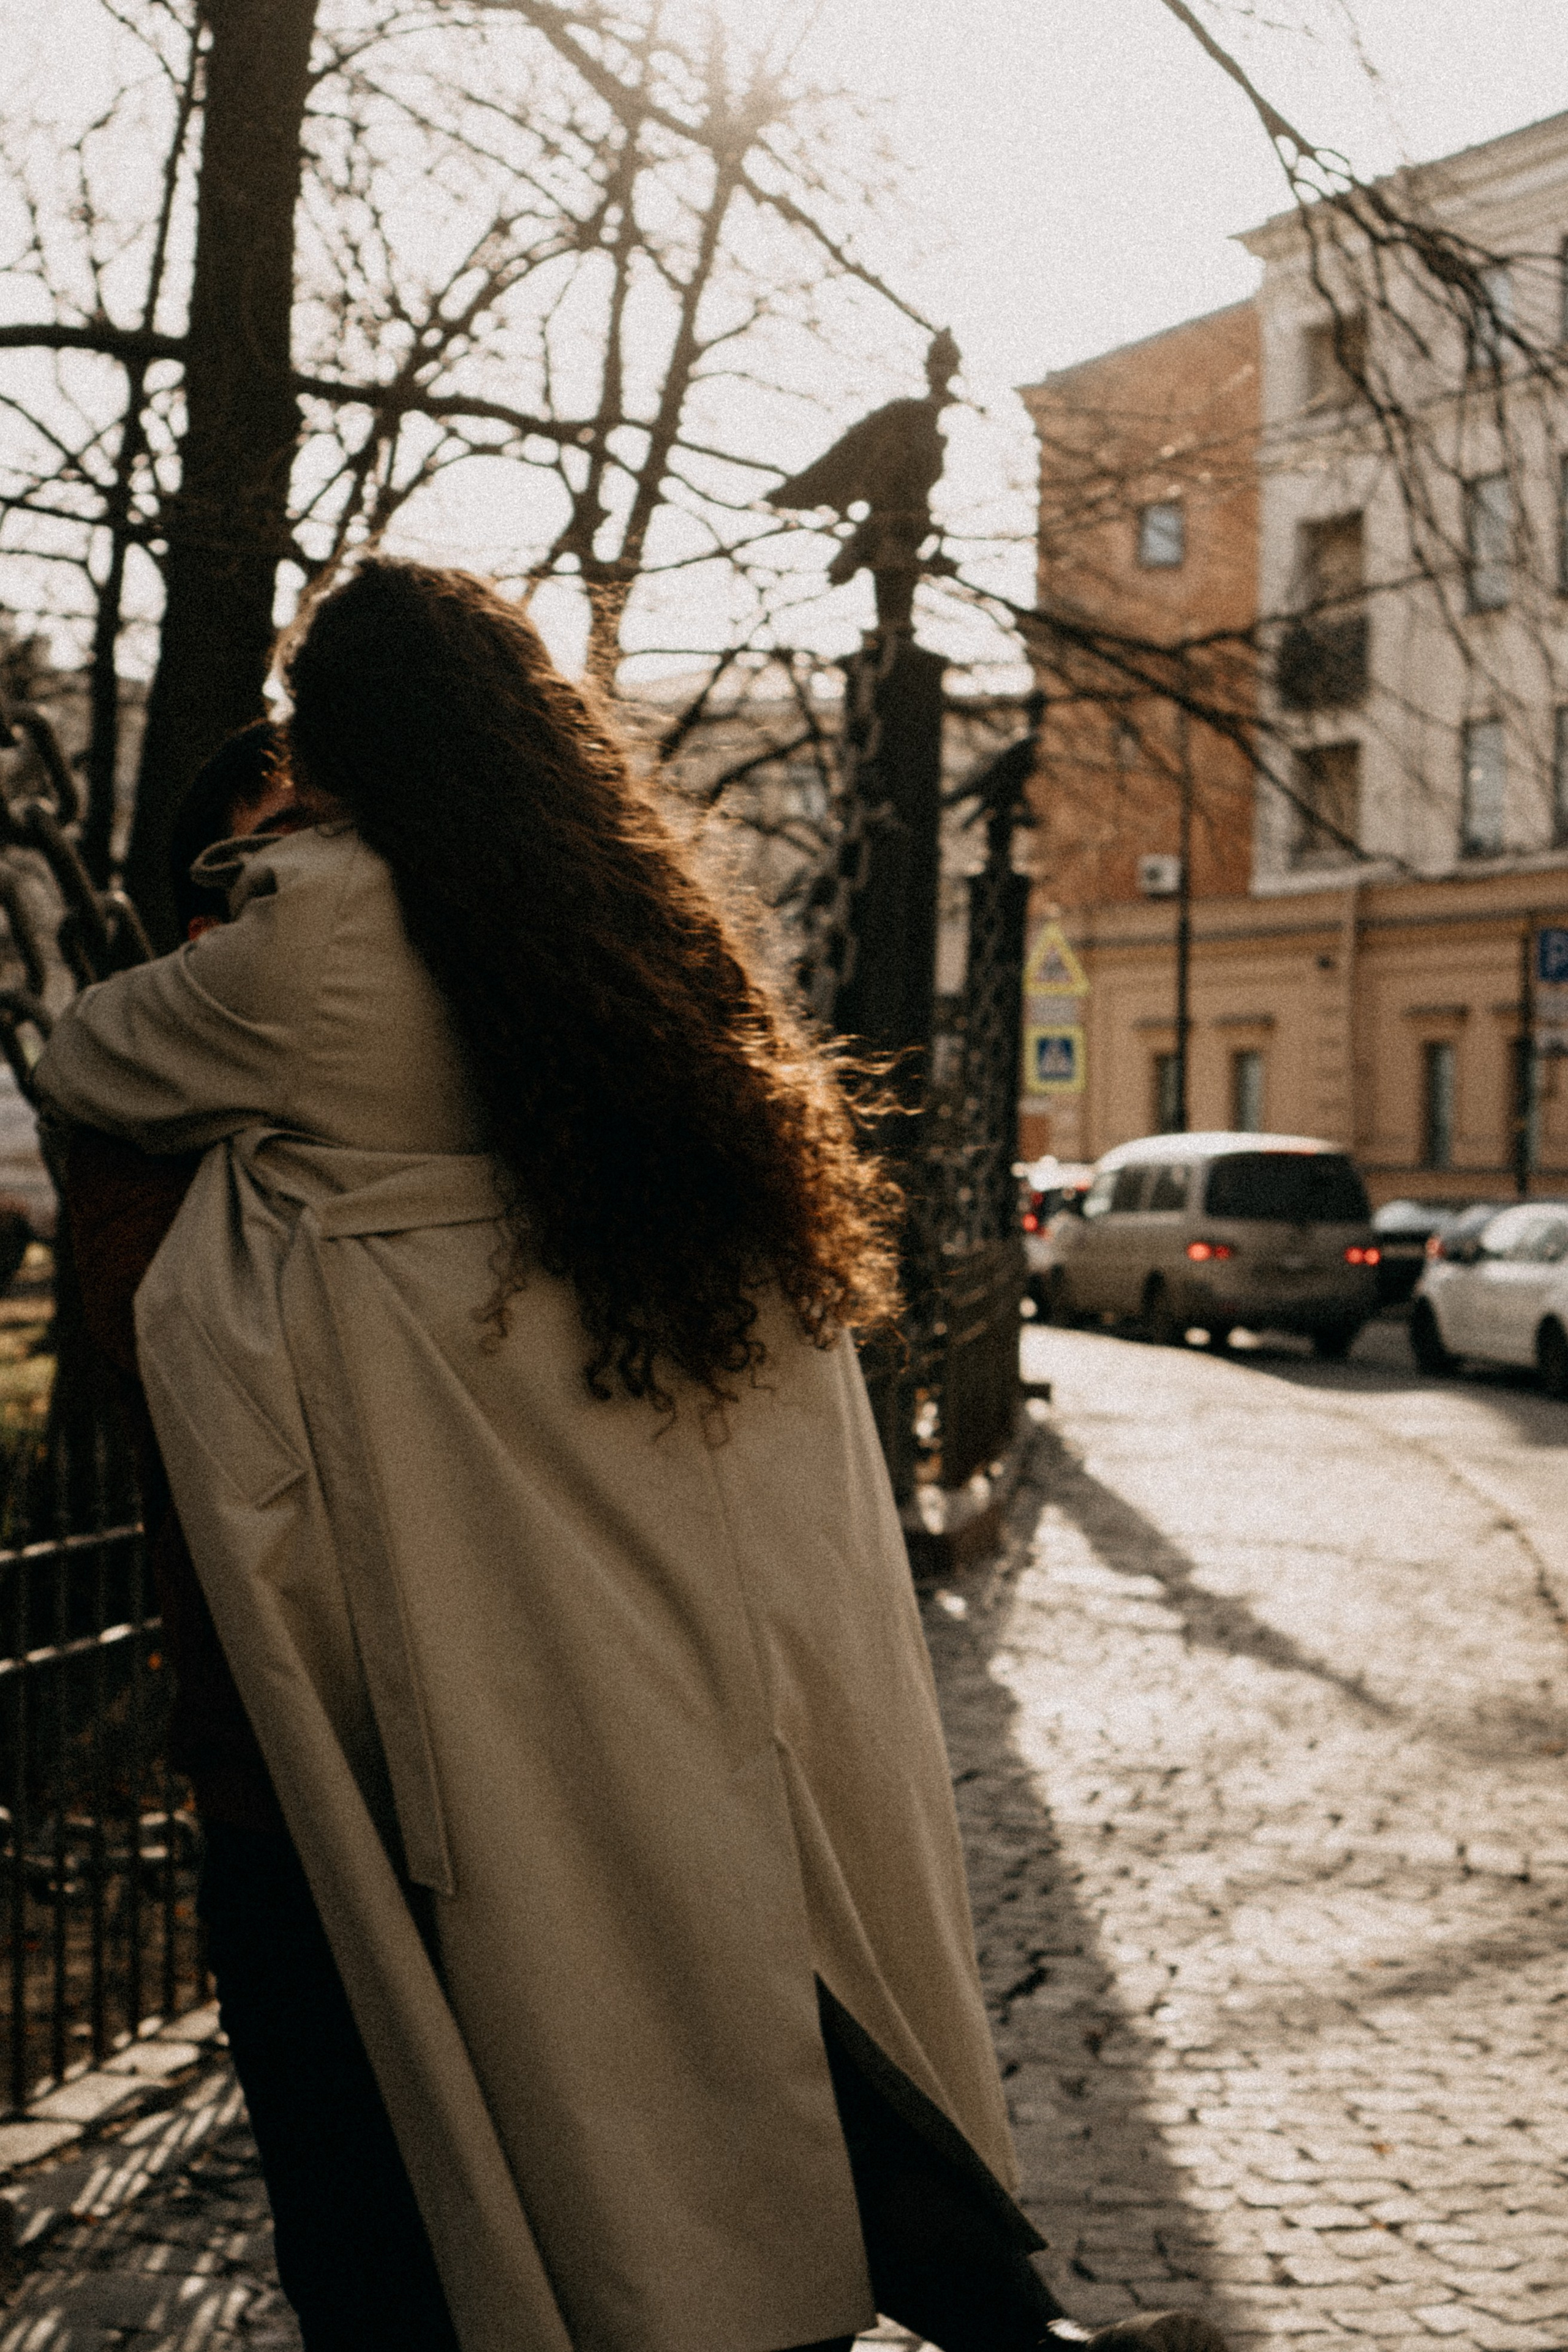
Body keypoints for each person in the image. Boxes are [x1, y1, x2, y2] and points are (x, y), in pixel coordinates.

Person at [36, 562, 1226, 2352]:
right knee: (750, 1966)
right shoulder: (627, 936)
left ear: (344, 736)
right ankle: (973, 2311)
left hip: (455, 1617)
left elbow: (91, 1061)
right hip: (670, 1602)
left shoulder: (317, 932)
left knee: (498, 2018)